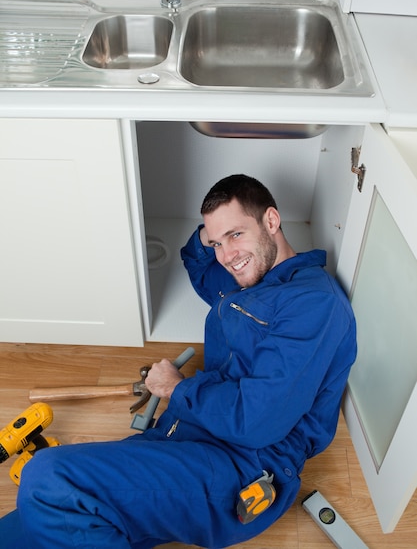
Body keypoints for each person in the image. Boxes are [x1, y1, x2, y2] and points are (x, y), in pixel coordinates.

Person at [0, 174, 356, 548]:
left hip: (240, 465)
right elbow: (197, 263)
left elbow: (256, 421)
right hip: (180, 438)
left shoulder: (313, 304)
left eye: (236, 234)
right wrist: (213, 235)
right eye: (217, 242)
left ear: (271, 221)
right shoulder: (250, 282)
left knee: (48, 479)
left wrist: (177, 387)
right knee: (23, 526)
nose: (227, 255)